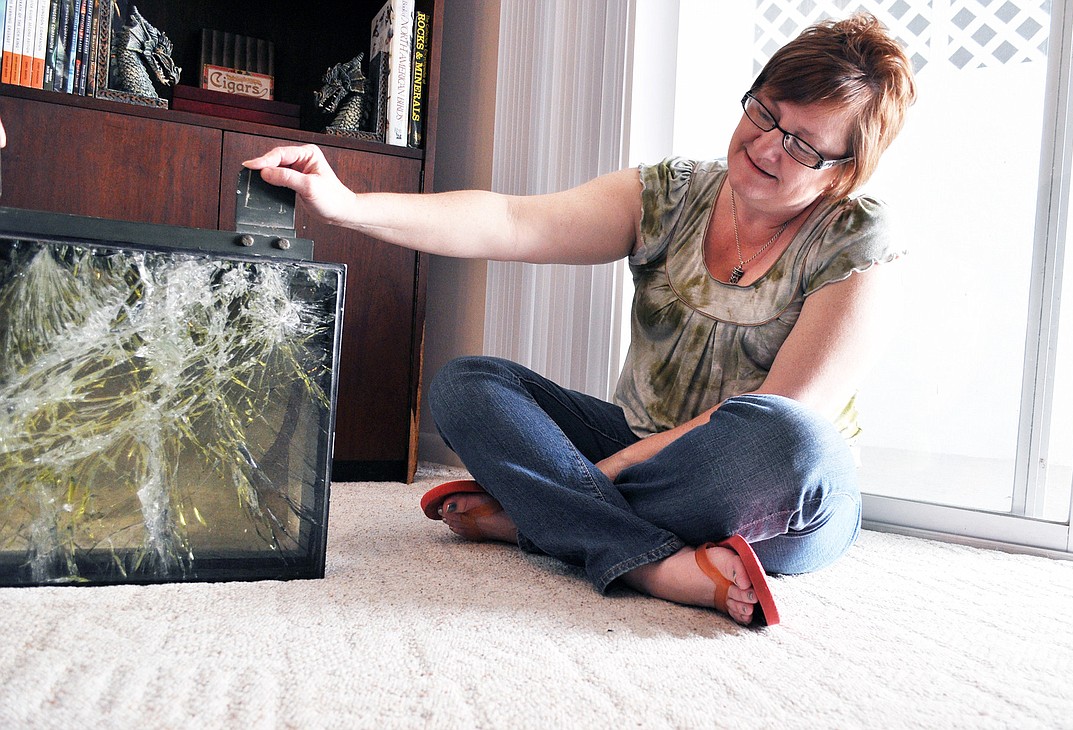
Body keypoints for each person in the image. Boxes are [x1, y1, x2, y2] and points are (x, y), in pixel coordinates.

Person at [244, 12, 916, 627]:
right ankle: (653, 563)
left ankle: (539, 517)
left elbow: (784, 408)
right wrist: (344, 205)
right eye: (765, 114)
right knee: (467, 387)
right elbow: (512, 221)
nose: (768, 147)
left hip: (771, 488)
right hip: (643, 440)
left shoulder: (859, 240)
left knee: (790, 437)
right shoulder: (674, 193)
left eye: (802, 145)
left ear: (840, 173)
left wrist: (605, 471)